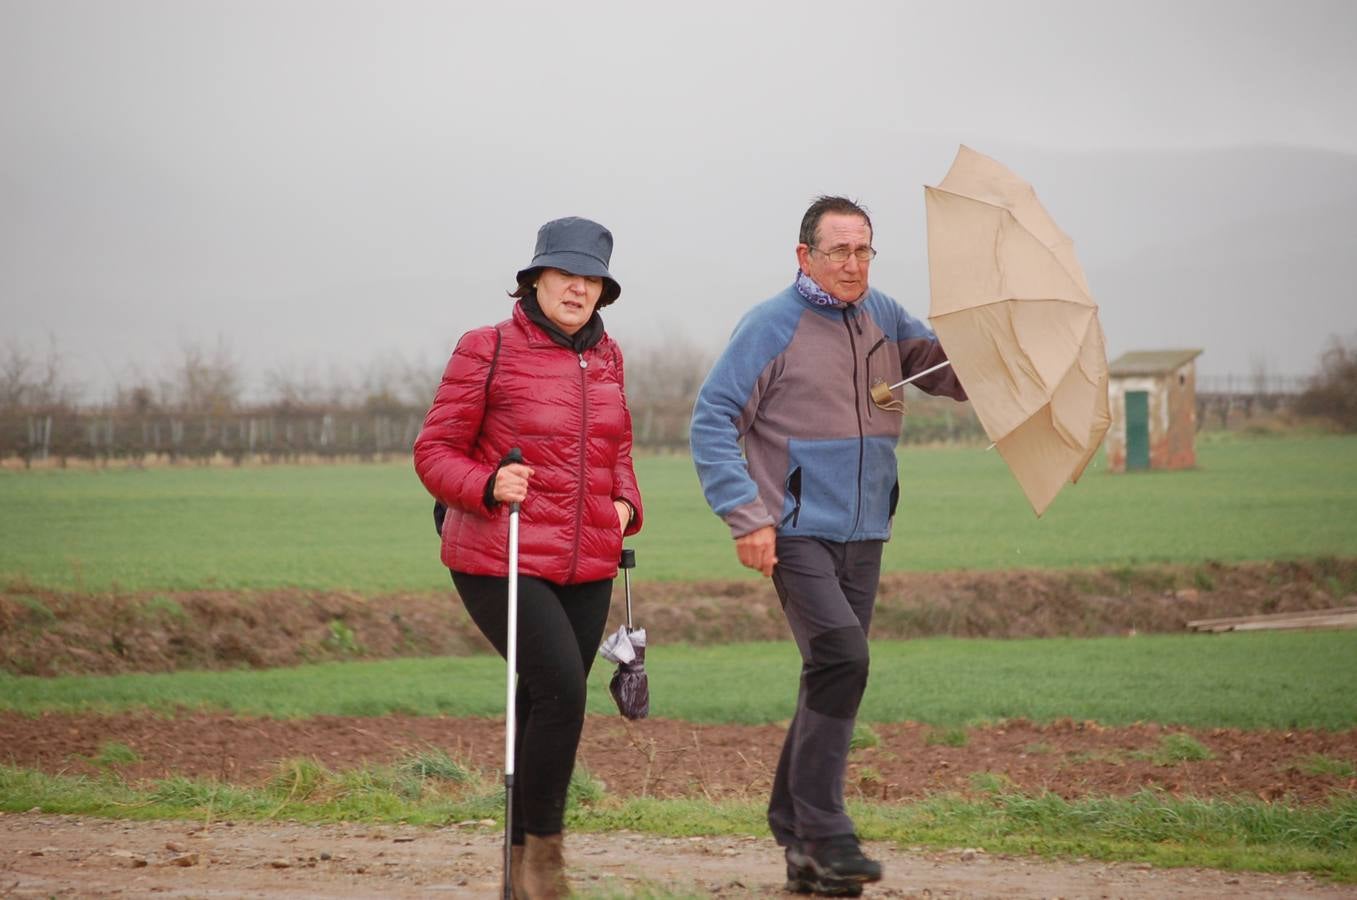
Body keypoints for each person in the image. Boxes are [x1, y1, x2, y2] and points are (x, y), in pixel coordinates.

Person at [689, 196, 966, 896]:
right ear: (804, 255)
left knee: (829, 669)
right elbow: (713, 418)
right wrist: (744, 516)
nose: (852, 263)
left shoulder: (886, 318)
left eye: (863, 250)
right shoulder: (770, 325)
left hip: (867, 527)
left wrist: (996, 350)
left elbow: (947, 377)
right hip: (794, 526)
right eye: (838, 250)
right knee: (843, 656)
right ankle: (826, 832)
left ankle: (797, 838)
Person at [414, 216, 643, 899]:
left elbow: (617, 450)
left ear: (602, 290)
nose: (577, 288)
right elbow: (434, 452)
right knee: (561, 692)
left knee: (540, 699)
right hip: (497, 554)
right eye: (564, 274)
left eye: (590, 278)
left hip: (589, 560)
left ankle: (516, 869)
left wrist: (626, 505)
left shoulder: (608, 357)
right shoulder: (484, 347)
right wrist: (485, 484)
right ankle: (545, 861)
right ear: (534, 279)